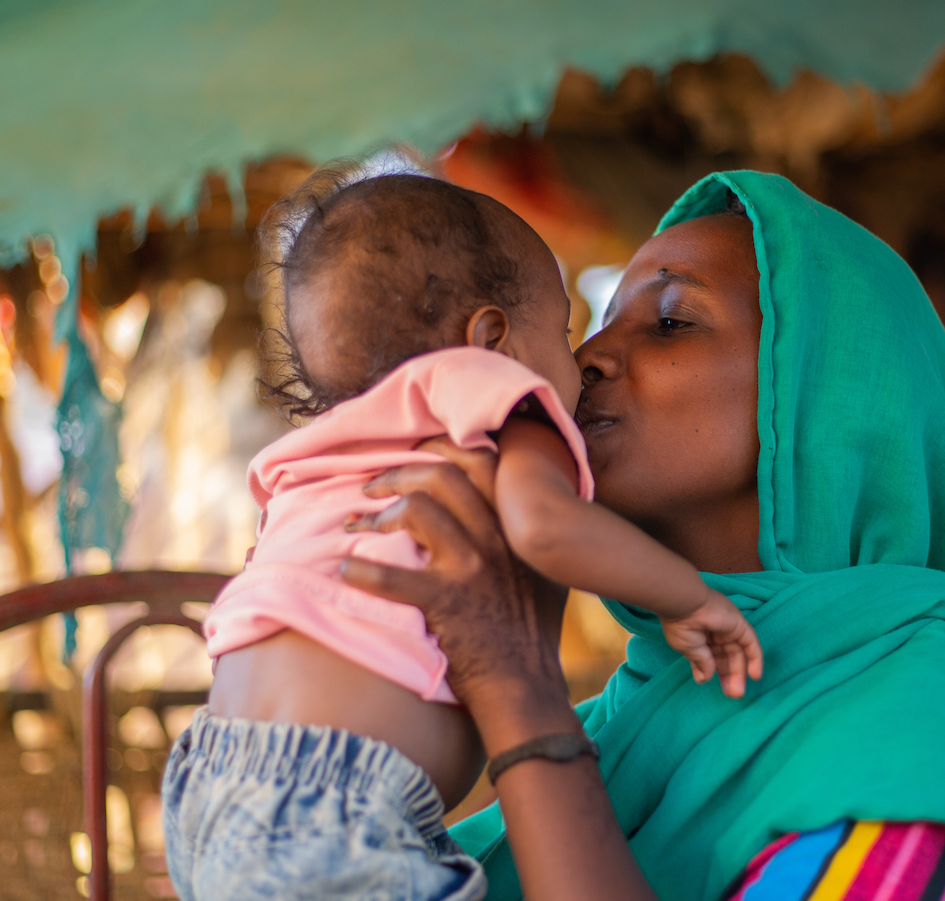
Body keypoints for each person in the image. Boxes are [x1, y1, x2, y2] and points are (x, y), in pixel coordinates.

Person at [340, 171, 945, 901]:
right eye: (596, 324)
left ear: (828, 398)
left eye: (671, 320)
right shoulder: (624, 726)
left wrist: (515, 688)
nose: (586, 360)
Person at [162, 168, 761, 901]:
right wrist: (688, 598)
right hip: (338, 800)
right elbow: (545, 524)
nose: (586, 359)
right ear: (491, 340)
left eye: (669, 319)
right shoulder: (497, 401)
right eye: (568, 328)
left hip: (210, 775)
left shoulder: (325, 448)